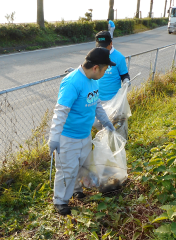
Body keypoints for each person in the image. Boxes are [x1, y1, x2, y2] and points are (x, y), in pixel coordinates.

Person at [48, 48, 117, 216]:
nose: (106, 72)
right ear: (95, 67)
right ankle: (60, 201)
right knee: (67, 170)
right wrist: (54, 137)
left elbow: (96, 103)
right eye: (105, 69)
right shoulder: (72, 82)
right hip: (68, 137)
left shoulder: (93, 80)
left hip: (84, 135)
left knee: (81, 166)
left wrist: (105, 121)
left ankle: (77, 190)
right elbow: (61, 112)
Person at [92, 31, 130, 138]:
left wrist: (126, 80)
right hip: (98, 98)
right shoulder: (96, 55)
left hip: (114, 99)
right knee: (96, 122)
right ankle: (108, 138)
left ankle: (121, 143)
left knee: (118, 124)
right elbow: (88, 69)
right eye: (99, 46)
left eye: (104, 46)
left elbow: (124, 74)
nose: (102, 49)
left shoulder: (119, 57)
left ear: (111, 43)